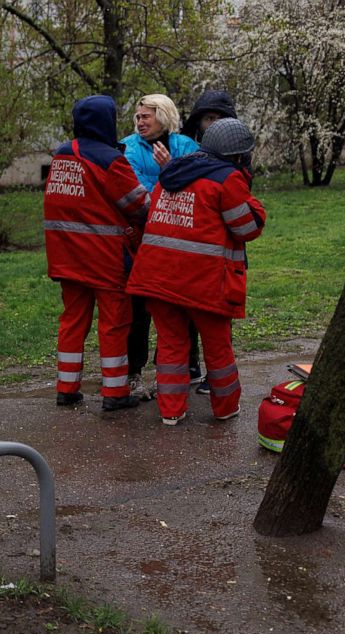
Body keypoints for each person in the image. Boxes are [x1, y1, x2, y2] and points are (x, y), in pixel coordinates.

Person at [125, 118, 266, 425]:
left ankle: (171, 411)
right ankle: (226, 406)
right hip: (203, 282)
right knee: (217, 348)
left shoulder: (172, 172)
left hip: (157, 278)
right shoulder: (227, 179)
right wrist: (255, 203)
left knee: (172, 344)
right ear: (239, 155)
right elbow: (247, 227)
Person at [43, 95, 150, 411]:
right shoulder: (109, 160)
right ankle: (115, 393)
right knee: (115, 323)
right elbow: (137, 206)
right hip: (104, 259)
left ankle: (67, 388)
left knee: (73, 321)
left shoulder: (62, 154)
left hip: (66, 256)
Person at [120, 94, 200, 401]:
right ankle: (134, 374)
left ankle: (184, 368)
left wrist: (172, 170)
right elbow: (137, 195)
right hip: (141, 243)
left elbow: (199, 190)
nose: (140, 122)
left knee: (181, 307)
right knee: (138, 311)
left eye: (146, 116)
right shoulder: (127, 148)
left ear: (164, 116)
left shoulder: (186, 147)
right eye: (138, 116)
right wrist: (173, 178)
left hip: (180, 244)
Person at [182, 90, 239, 395]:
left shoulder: (237, 156)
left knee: (217, 316)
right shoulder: (188, 151)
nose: (212, 124)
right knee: (186, 309)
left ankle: (216, 377)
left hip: (221, 251)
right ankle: (190, 364)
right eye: (207, 118)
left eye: (218, 119)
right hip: (190, 245)